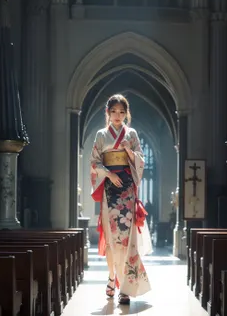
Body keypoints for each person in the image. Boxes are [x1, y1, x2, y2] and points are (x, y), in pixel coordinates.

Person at [90, 94, 152, 304]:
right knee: (111, 239)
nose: (118, 116)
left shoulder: (131, 134)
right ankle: (111, 277)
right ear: (107, 112)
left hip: (127, 190)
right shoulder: (101, 135)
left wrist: (128, 150)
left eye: (122, 112)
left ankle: (124, 286)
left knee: (126, 240)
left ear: (127, 114)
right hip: (110, 189)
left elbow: (140, 161)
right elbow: (94, 163)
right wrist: (108, 174)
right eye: (114, 111)